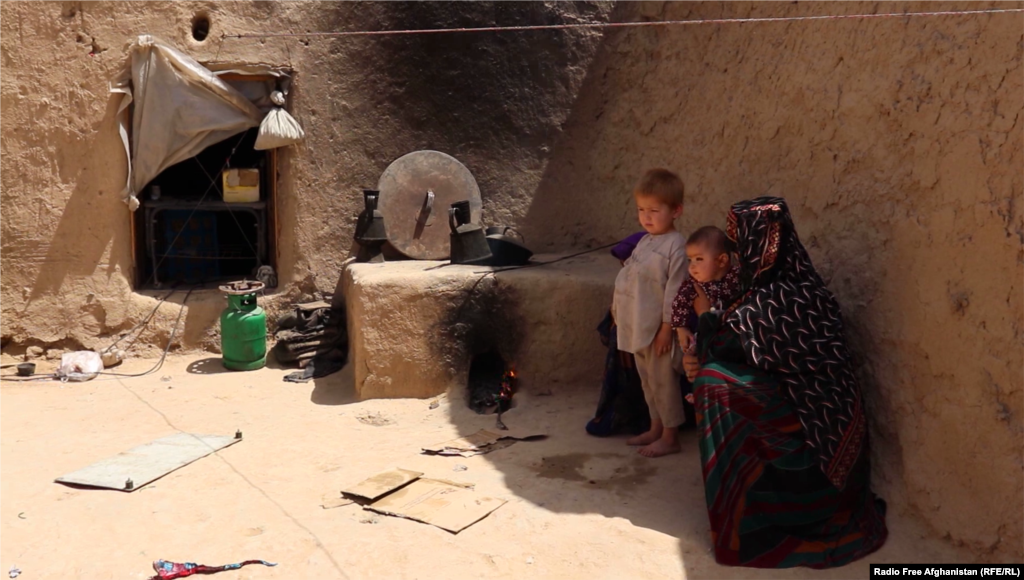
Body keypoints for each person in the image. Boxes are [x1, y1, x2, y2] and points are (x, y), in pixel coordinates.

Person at [682, 197, 888, 568]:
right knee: (712, 380)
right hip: (795, 403)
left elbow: (726, 349)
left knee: (713, 385)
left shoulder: (783, 296)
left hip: (817, 431)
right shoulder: (767, 287)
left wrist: (703, 318)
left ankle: (765, 518)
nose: (737, 252)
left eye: (740, 242)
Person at [611, 168, 688, 458]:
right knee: (647, 382)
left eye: (655, 210)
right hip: (637, 326)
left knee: (664, 383)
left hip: (658, 331)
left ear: (676, 210)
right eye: (642, 209)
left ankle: (670, 437)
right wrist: (616, 309)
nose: (647, 216)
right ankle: (655, 427)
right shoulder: (644, 241)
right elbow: (628, 277)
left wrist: (667, 328)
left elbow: (676, 292)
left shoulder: (676, 246)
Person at [671, 225, 742, 356]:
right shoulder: (691, 286)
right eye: (689, 260)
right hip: (705, 336)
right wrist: (681, 329)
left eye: (699, 259)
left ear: (722, 260)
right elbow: (678, 305)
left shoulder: (737, 277)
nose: (692, 266)